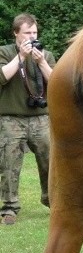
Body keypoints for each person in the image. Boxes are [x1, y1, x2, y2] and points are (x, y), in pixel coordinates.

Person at [0, 13, 54, 225]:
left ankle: (52, 201)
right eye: (27, 33)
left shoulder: (45, 54)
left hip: (41, 119)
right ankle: (9, 208)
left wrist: (41, 63)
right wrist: (21, 57)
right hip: (10, 119)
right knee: (9, 163)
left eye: (34, 33)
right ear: (16, 33)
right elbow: (2, 77)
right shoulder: (4, 52)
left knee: (49, 162)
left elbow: (56, 82)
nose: (31, 37)